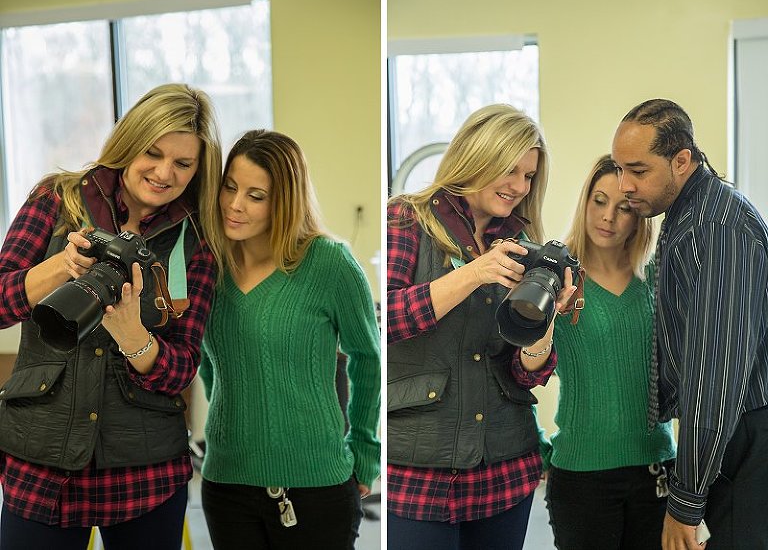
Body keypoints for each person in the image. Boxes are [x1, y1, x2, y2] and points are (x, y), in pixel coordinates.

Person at [0, 83, 224, 549]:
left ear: (199, 170)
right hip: (41, 463)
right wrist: (61, 267)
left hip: (145, 472)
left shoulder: (196, 241)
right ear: (129, 142)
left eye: (183, 164)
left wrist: (135, 338)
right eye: (153, 153)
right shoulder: (57, 200)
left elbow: (183, 365)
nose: (164, 173)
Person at [386, 103, 577, 550]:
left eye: (528, 176)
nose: (518, 186)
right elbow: (388, 322)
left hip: (505, 468)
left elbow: (526, 371)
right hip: (417, 470)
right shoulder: (406, 219)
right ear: (477, 155)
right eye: (508, 169)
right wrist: (475, 272)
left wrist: (544, 322)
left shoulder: (523, 246)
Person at [198, 129, 381, 550]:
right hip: (226, 481)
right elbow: (206, 360)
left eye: (255, 195)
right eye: (230, 187)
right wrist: (233, 418)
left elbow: (367, 358)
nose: (234, 204)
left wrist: (365, 450)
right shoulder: (209, 263)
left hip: (318, 484)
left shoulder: (330, 263)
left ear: (284, 201)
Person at [612, 98, 768, 550]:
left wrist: (685, 502)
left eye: (637, 171)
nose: (625, 186)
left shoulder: (718, 226)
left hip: (746, 434)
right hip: (731, 432)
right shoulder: (689, 215)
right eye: (620, 170)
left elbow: (714, 376)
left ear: (682, 161)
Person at [544, 154, 677, 549]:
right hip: (581, 473)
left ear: (639, 217)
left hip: (654, 467)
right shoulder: (556, 278)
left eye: (624, 208)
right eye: (599, 201)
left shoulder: (657, 276)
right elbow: (521, 369)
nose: (609, 218)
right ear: (585, 201)